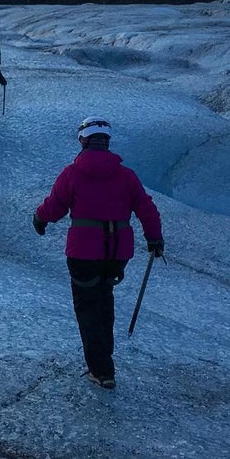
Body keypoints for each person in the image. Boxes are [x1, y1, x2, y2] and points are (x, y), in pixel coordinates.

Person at [32, 116, 164, 390]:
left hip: (83, 252)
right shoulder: (126, 176)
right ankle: (105, 361)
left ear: (83, 140)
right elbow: (145, 207)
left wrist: (40, 219)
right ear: (106, 142)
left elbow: (55, 205)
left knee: (88, 307)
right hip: (117, 253)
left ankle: (101, 370)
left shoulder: (73, 173)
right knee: (104, 299)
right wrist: (154, 238)